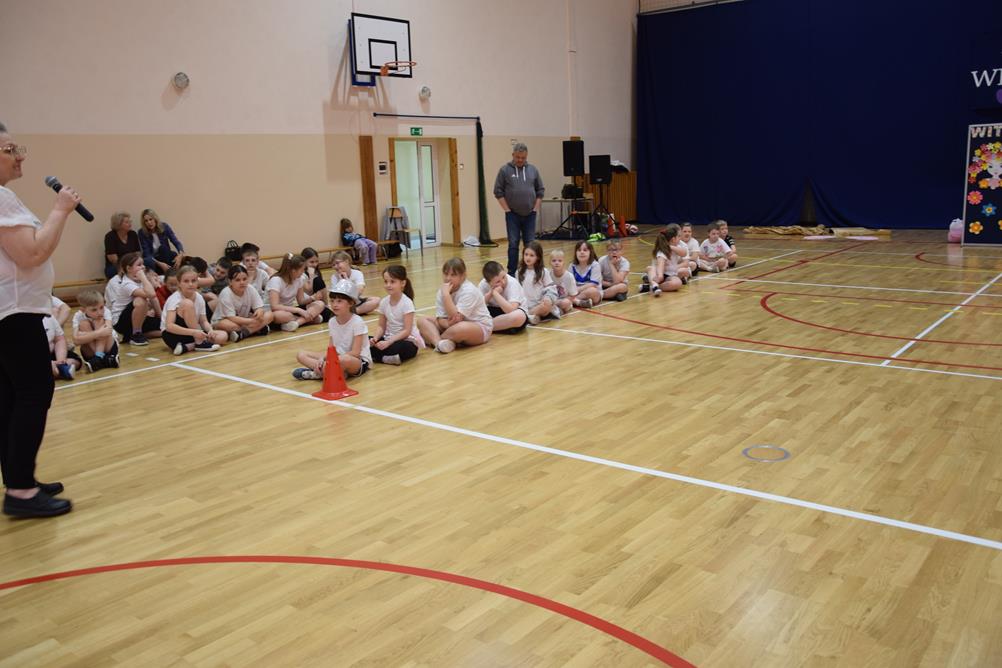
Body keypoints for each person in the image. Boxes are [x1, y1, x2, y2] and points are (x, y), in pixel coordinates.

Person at [0, 121, 75, 517]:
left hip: (9, 312)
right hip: (16, 313)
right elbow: (31, 254)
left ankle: (18, 478)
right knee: (33, 392)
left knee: (10, 396)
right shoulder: (1, 198)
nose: (19, 156)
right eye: (9, 150)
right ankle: (21, 491)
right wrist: (60, 211)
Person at [293, 279, 371, 380]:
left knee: (344, 360)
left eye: (339, 301)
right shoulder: (332, 321)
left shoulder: (357, 321)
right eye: (332, 301)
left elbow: (356, 352)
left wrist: (332, 360)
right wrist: (322, 358)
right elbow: (331, 349)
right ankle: (328, 371)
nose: (334, 304)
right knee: (301, 355)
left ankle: (319, 372)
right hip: (336, 357)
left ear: (351, 303)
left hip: (356, 361)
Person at [416, 258, 493, 354]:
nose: (448, 278)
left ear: (463, 276)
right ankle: (439, 344)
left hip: (479, 327)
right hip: (451, 325)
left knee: (460, 328)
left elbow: (456, 318)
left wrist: (446, 295)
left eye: (453, 275)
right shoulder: (443, 290)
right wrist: (447, 324)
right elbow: (440, 318)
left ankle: (433, 339)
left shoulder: (469, 290)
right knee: (422, 320)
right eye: (446, 274)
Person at [493, 142, 544, 274]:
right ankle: (512, 272)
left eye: (523, 158)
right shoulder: (504, 170)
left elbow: (540, 190)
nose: (520, 160)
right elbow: (498, 191)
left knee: (530, 244)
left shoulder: (533, 170)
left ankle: (531, 270)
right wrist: (507, 210)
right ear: (513, 155)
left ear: (526, 156)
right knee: (513, 244)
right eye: (518, 157)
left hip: (530, 215)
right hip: (513, 215)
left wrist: (535, 209)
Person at [161, 265, 226, 355]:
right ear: (179, 283)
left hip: (191, 334)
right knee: (188, 303)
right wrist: (194, 332)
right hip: (172, 335)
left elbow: (203, 321)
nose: (190, 284)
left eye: (193, 281)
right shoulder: (174, 299)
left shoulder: (199, 297)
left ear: (197, 282)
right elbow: (169, 326)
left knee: (223, 336)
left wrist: (210, 330)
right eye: (186, 281)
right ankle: (199, 343)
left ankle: (188, 346)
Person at [370, 265, 423, 366]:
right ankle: (386, 358)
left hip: (405, 340)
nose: (388, 285)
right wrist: (375, 339)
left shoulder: (407, 303)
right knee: (366, 341)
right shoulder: (384, 302)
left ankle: (379, 357)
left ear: (402, 283)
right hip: (388, 338)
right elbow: (381, 326)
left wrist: (389, 342)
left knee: (405, 348)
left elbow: (407, 331)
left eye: (392, 282)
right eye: (386, 281)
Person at [105, 252, 162, 345]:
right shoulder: (127, 284)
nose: (143, 267)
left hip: (137, 319)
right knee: (141, 299)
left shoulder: (139, 281)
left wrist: (162, 318)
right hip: (120, 322)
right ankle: (136, 334)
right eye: (139, 265)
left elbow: (154, 298)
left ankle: (131, 336)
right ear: (129, 268)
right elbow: (151, 294)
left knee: (165, 328)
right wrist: (144, 278)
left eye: (143, 264)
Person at [212, 264, 274, 341]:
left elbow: (259, 307)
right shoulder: (226, 293)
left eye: (244, 279)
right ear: (230, 281)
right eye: (237, 280)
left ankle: (244, 333)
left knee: (270, 315)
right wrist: (252, 321)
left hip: (244, 320)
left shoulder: (250, 288)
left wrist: (259, 312)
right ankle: (256, 329)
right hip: (224, 320)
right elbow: (231, 317)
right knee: (230, 325)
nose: (242, 282)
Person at [267, 253, 326, 332]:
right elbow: (275, 306)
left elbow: (301, 301)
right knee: (281, 315)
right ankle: (309, 319)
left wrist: (312, 298)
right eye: (302, 270)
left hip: (291, 310)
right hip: (276, 312)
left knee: (320, 304)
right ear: (293, 271)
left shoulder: (299, 279)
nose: (303, 272)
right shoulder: (276, 280)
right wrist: (298, 310)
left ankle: (297, 323)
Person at [72, 289, 120, 372]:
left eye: (101, 307)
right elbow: (76, 341)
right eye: (94, 310)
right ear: (83, 310)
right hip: (90, 352)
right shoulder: (78, 316)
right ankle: (105, 360)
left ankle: (98, 358)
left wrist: (85, 335)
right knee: (84, 324)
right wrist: (98, 333)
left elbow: (107, 331)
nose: (99, 312)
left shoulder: (106, 311)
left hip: (109, 347)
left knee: (99, 321)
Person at [478, 260, 529, 334]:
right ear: (488, 282)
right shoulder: (483, 284)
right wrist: (489, 294)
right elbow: (478, 307)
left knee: (519, 316)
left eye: (504, 277)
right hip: (495, 313)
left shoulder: (512, 283)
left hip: (512, 313)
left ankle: (483, 328)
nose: (503, 282)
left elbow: (511, 310)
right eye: (497, 282)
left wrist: (495, 294)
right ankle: (493, 327)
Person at [516, 241, 559, 323]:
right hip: (525, 305)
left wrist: (548, 298)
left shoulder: (543, 271)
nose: (528, 257)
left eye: (531, 255)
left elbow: (551, 289)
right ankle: (533, 315)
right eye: (526, 254)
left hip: (539, 305)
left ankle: (528, 315)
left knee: (546, 306)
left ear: (538, 257)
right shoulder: (519, 272)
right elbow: (517, 291)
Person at [331, 250, 379, 316]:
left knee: (376, 300)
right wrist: (342, 281)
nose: (336, 266)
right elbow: (336, 296)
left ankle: (352, 312)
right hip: (343, 303)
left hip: (355, 301)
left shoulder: (357, 273)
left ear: (347, 261)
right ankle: (353, 311)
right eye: (333, 265)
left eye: (337, 263)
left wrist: (347, 281)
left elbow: (359, 291)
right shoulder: (334, 277)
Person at [646, 225, 690, 296]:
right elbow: (660, 265)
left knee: (678, 283)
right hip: (659, 274)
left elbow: (684, 253)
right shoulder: (662, 251)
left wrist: (671, 247)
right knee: (651, 268)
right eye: (679, 236)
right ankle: (654, 285)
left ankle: (653, 287)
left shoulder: (677, 247)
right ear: (673, 239)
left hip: (670, 275)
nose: (680, 238)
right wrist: (660, 276)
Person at [138, 208, 185, 274]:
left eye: (150, 219)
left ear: (155, 219)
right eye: (146, 221)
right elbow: (147, 253)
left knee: (168, 251)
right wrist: (160, 264)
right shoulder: (142, 232)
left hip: (165, 254)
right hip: (154, 259)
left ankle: (170, 273)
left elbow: (176, 241)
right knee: (148, 259)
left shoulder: (164, 226)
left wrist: (180, 255)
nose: (149, 222)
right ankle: (170, 273)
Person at [103, 211, 141, 279]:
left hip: (132, 263)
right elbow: (113, 259)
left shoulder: (133, 234)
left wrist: (135, 264)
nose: (130, 224)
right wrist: (126, 267)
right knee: (112, 271)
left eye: (130, 221)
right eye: (127, 222)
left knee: (148, 261)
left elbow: (137, 252)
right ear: (118, 224)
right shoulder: (110, 236)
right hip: (116, 266)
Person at [44, 314, 82, 381]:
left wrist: (60, 361)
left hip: (52, 353)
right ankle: (59, 371)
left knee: (76, 361)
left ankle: (57, 369)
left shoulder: (49, 316)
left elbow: (59, 340)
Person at [570, 240, 602, 308]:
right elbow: (569, 282)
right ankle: (579, 302)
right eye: (579, 250)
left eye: (585, 250)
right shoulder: (572, 265)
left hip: (592, 293)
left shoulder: (595, 265)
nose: (582, 252)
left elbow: (593, 284)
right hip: (576, 291)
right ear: (575, 253)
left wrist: (578, 289)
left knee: (592, 291)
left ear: (590, 252)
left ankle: (571, 301)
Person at [549, 248, 577, 314]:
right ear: (550, 262)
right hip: (552, 301)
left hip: (564, 301)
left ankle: (556, 311)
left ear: (564, 262)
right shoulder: (548, 275)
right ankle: (556, 311)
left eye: (560, 261)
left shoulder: (569, 276)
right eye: (554, 261)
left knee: (565, 303)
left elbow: (572, 295)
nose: (557, 263)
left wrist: (560, 302)